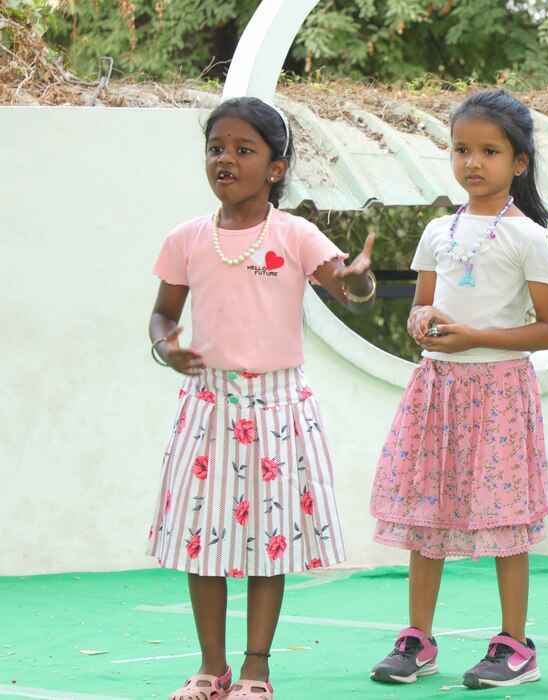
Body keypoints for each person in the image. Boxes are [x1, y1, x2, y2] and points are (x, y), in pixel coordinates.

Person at [149, 97, 376, 699]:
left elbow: (349, 288)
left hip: (277, 409)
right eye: (216, 148)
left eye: (243, 150)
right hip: (209, 408)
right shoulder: (186, 239)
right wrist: (167, 347)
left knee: (267, 544)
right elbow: (162, 315)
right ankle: (211, 669)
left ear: (275, 169)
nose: (225, 159)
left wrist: (358, 280)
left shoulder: (295, 234)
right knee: (202, 541)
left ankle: (256, 670)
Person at [368, 89, 548, 689]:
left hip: (499, 393)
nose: (473, 162)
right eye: (461, 149)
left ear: (520, 162)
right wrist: (421, 322)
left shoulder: (530, 237)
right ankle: (418, 639)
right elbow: (423, 304)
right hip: (438, 390)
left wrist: (475, 336)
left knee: (506, 519)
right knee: (427, 511)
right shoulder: (437, 230)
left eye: (489, 151)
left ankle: (515, 644)